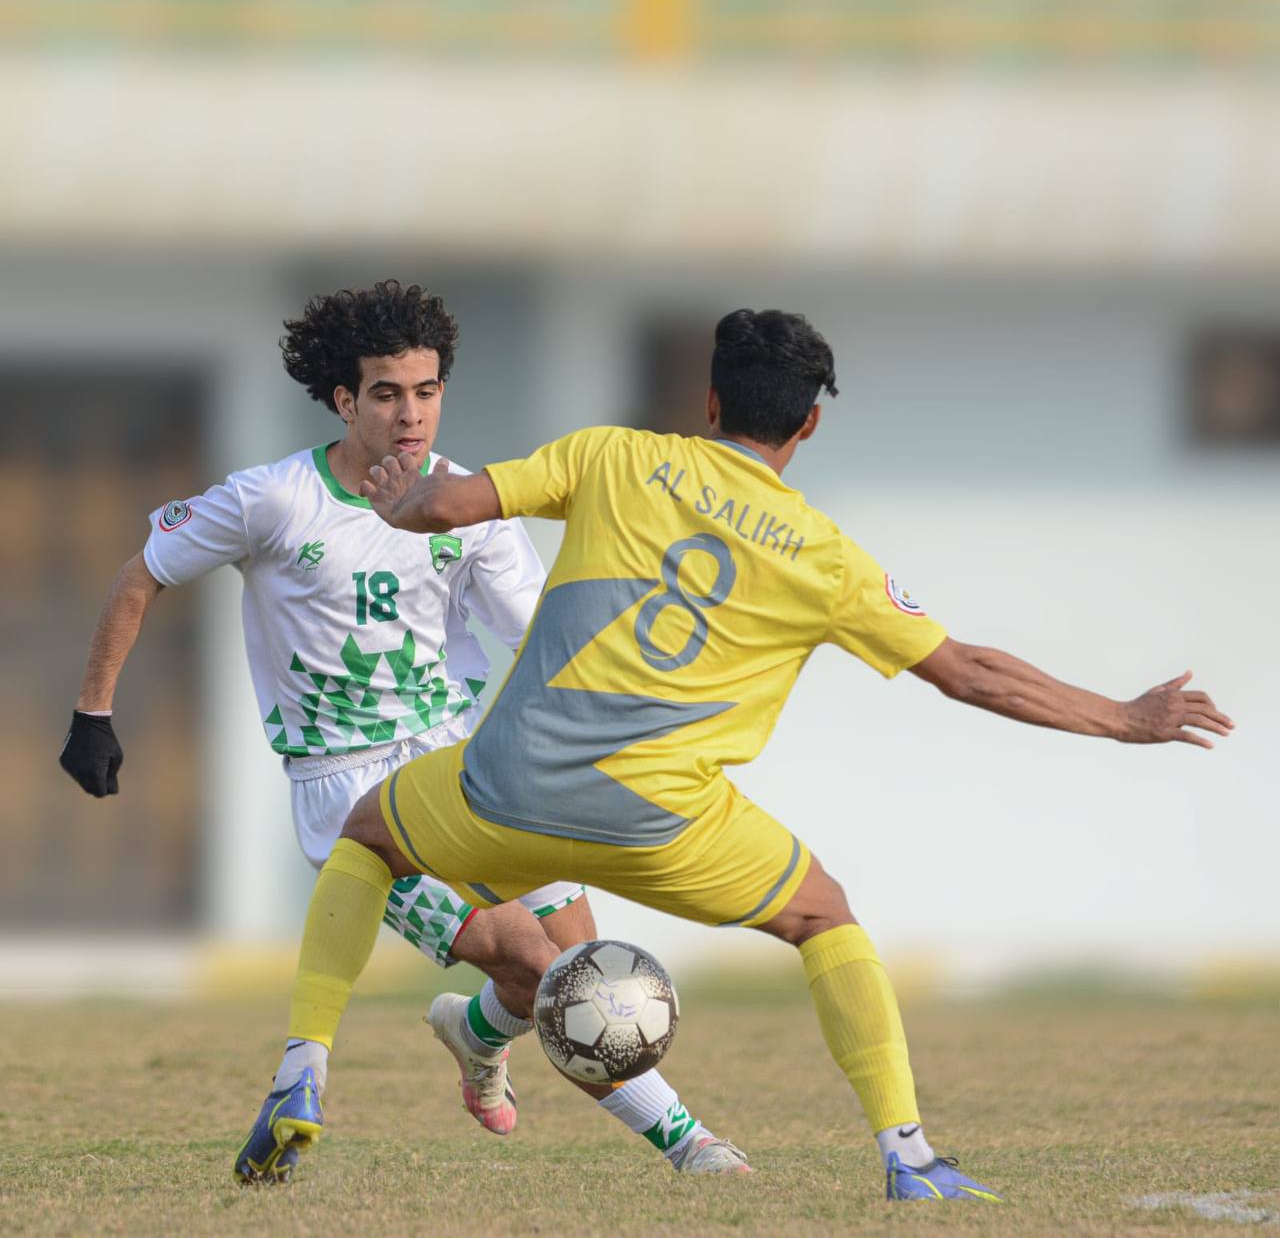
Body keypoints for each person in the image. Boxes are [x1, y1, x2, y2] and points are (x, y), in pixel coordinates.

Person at [242, 307, 1234, 1201]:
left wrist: (396, 501)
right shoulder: (823, 553)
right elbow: (967, 672)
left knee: (366, 841)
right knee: (821, 914)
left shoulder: (615, 456)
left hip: (503, 786)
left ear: (708, 401)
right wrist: (1122, 717)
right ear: (807, 425)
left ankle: (306, 1059)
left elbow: (446, 507)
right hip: (658, 820)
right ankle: (907, 1155)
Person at [59, 281, 745, 1183]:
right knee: (542, 967)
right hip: (349, 788)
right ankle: (689, 1142)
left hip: (463, 763)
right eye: (386, 393)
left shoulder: (470, 511)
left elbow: (538, 643)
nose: (410, 412)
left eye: (425, 390)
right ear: (344, 401)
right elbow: (140, 573)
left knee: (573, 949)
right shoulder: (271, 499)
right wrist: (93, 713)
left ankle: (472, 1033)